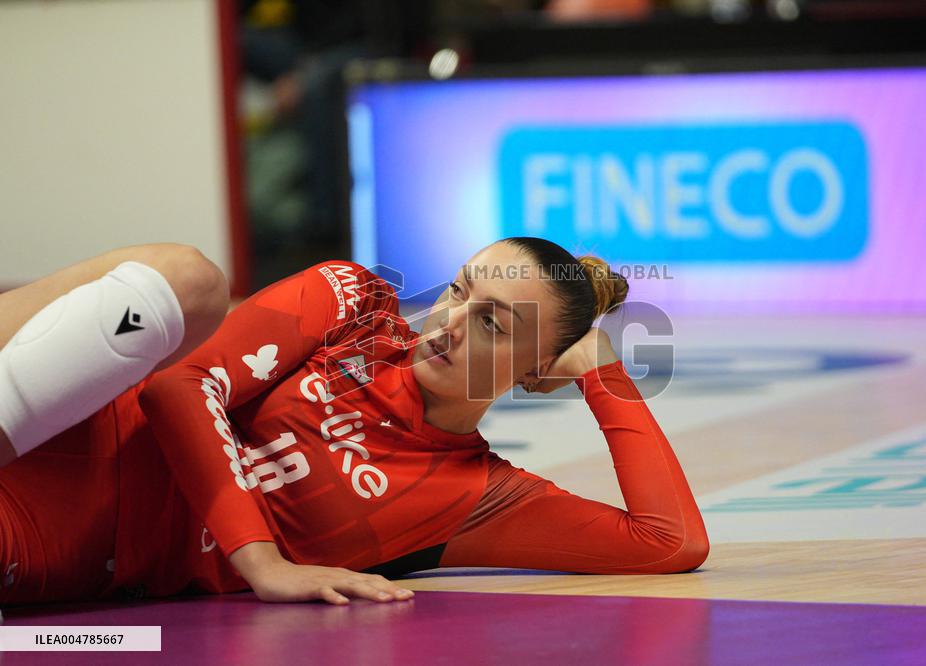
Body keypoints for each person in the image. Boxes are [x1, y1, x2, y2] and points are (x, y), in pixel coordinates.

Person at [0, 237, 708, 607]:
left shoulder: (473, 499)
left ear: (535, 370)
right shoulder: (354, 303)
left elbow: (669, 541)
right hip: (68, 414)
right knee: (185, 276)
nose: (447, 324)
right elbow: (180, 386)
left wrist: (601, 375)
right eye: (459, 290)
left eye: (491, 323)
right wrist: (263, 563)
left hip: (57, 536)